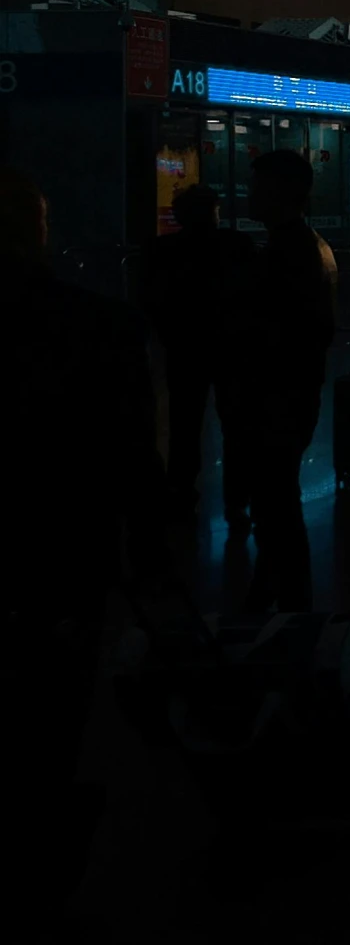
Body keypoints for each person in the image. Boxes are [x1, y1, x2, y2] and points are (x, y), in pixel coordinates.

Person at [0, 167, 163, 933]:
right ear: (41, 230)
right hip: (67, 552)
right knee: (54, 711)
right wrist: (148, 551)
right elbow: (134, 455)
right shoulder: (101, 325)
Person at [220, 149, 338, 612]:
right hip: (292, 399)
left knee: (276, 505)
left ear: (278, 193)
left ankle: (288, 603)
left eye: (255, 188)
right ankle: (276, 595)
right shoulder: (308, 247)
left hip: (275, 402)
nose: (248, 196)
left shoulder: (285, 255)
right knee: (278, 503)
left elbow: (277, 334)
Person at [141, 183, 251, 516]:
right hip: (230, 348)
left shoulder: (163, 250)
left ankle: (180, 487)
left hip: (184, 348)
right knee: (235, 424)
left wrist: (167, 335)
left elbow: (153, 299)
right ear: (213, 212)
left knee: (184, 422)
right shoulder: (236, 245)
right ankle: (237, 498)